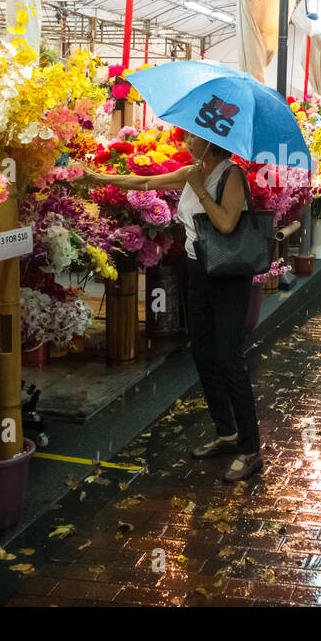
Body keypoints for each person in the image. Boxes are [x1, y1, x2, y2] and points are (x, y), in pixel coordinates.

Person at [89, 133, 263, 482]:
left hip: (228, 277)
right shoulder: (193, 170)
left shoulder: (232, 176)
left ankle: (250, 449)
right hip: (199, 271)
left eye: (192, 137)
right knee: (203, 353)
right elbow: (145, 180)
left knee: (230, 359)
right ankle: (226, 432)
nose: (185, 140)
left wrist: (198, 188)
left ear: (209, 142)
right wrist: (98, 178)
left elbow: (227, 223)